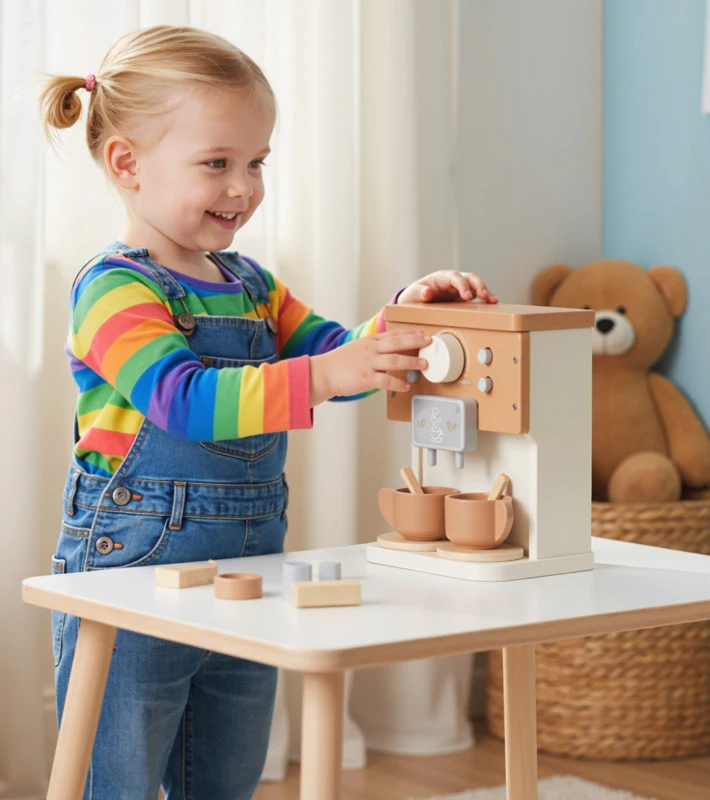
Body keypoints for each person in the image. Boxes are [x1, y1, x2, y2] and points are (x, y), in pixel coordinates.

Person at [39, 24, 496, 800]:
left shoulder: (250, 282)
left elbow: (337, 355)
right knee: (116, 779)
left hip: (248, 570)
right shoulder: (114, 288)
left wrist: (400, 321)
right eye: (216, 163)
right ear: (127, 163)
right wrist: (324, 373)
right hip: (131, 571)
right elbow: (180, 400)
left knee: (226, 774)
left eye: (256, 163)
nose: (243, 187)